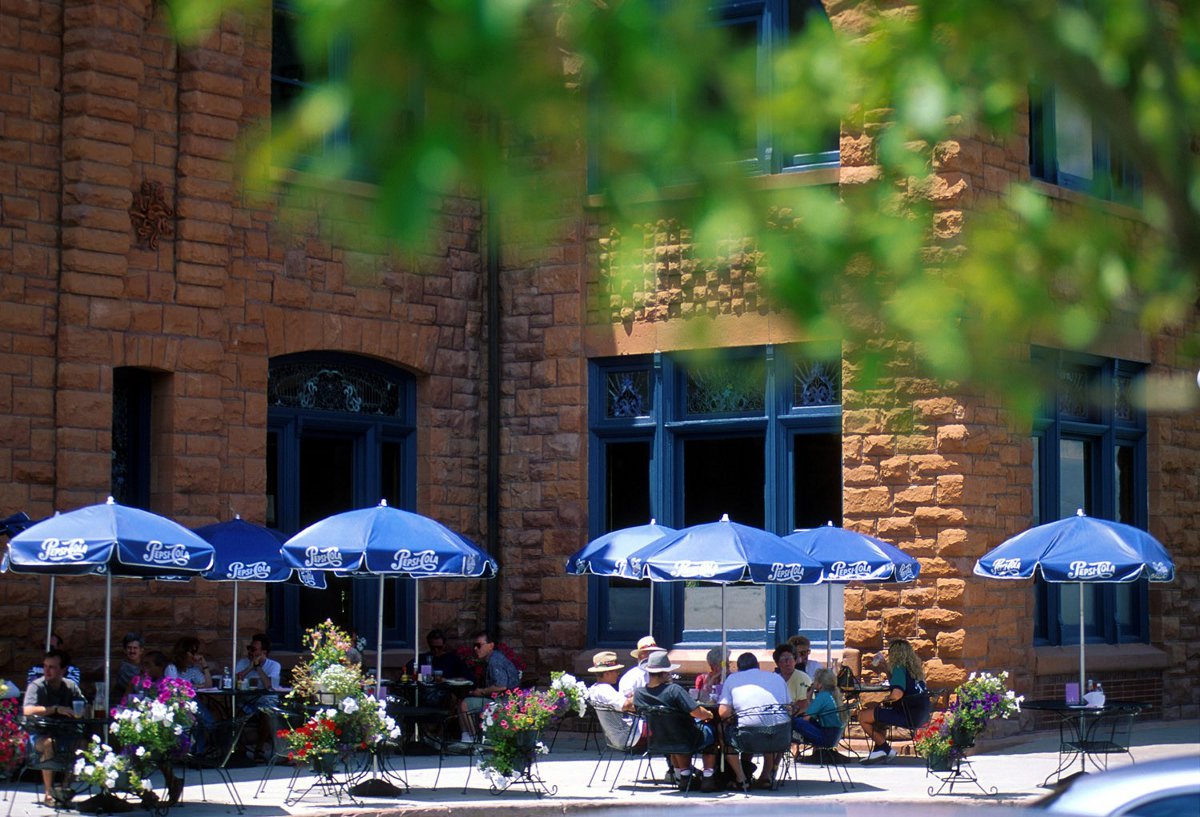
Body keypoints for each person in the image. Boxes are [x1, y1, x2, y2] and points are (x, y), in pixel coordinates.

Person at [633, 650, 718, 792]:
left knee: (677, 735)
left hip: (658, 739)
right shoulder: (674, 690)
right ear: (666, 673)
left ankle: (684, 776)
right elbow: (697, 712)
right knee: (710, 730)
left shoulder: (639, 694)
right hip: (685, 738)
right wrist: (709, 714)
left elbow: (632, 707)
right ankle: (708, 777)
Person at [718, 652, 791, 790]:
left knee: (723, 731)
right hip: (780, 736)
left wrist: (736, 713)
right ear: (758, 666)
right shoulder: (776, 677)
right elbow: (789, 707)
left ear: (738, 668)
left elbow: (723, 713)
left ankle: (741, 778)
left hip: (749, 737)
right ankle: (765, 776)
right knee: (768, 726)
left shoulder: (733, 678)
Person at [23, 649, 85, 806]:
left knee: (83, 745)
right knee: (49, 743)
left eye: (52, 667)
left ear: (63, 670)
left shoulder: (70, 686)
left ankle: (64, 790)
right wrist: (55, 709)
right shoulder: (36, 686)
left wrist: (85, 710)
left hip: (65, 733)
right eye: (45, 666)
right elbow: (27, 710)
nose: (47, 670)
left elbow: (83, 705)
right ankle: (48, 793)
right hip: (39, 734)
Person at [857, 638, 930, 764]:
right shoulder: (913, 670)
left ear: (895, 653)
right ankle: (878, 750)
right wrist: (886, 667)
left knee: (863, 716)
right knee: (878, 716)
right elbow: (898, 683)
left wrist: (885, 701)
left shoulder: (899, 668)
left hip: (907, 715)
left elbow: (897, 693)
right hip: (920, 715)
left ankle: (886, 749)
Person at [457, 630, 520, 742]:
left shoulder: (495, 660)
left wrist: (481, 691)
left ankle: (474, 741)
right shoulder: (496, 657)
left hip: (504, 703)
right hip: (506, 700)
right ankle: (466, 738)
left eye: (479, 645)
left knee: (465, 704)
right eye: (474, 646)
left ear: (491, 645)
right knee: (460, 702)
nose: (475, 649)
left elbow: (501, 686)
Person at [234, 634, 282, 762]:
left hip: (265, 700)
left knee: (267, 712)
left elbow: (268, 685)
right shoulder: (243, 663)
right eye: (249, 648)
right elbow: (235, 681)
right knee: (236, 713)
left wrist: (258, 668)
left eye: (253, 649)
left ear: (263, 652)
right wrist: (250, 668)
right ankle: (239, 749)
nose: (250, 652)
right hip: (246, 700)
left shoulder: (274, 665)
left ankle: (259, 749)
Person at [792, 667, 846, 749]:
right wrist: (809, 699)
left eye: (815, 680)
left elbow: (806, 718)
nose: (813, 682)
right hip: (834, 735)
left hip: (826, 738)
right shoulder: (831, 694)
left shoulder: (822, 696)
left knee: (793, 721)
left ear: (820, 684)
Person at [409, 628, 473, 681]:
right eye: (433, 648)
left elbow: (468, 678)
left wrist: (447, 680)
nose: (436, 650)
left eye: (439, 648)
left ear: (444, 645)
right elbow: (406, 674)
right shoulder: (422, 659)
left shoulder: (453, 660)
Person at [773, 642, 812, 713]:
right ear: (777, 663)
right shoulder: (773, 679)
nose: (787, 662)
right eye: (783, 658)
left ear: (795, 660)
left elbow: (805, 703)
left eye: (790, 658)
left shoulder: (802, 678)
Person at [113, 632, 144, 700]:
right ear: (124, 650)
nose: (132, 651)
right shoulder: (123, 670)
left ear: (141, 650)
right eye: (129, 648)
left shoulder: (146, 666)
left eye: (135, 648)